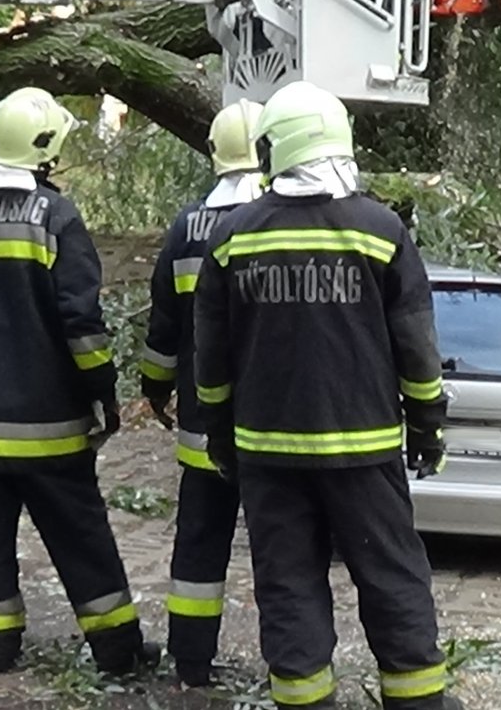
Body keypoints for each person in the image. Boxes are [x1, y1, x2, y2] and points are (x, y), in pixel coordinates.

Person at [192, 81, 461, 710]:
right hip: (364, 453)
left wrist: (220, 435)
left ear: (274, 150)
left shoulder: (234, 236)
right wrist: (428, 429)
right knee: (392, 578)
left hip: (267, 455)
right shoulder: (380, 231)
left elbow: (212, 357)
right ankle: (418, 702)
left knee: (288, 587)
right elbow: (416, 350)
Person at [0, 87, 158, 677]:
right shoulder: (56, 217)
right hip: (47, 428)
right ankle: (117, 651)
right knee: (81, 538)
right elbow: (81, 325)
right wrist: (103, 393)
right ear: (43, 151)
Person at [140, 99, 265, 688]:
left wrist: (155, 387)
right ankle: (291, 660)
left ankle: (189, 659)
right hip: (271, 426)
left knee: (198, 543)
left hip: (201, 423)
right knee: (280, 547)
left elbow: (164, 325)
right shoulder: (278, 220)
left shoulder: (186, 227)